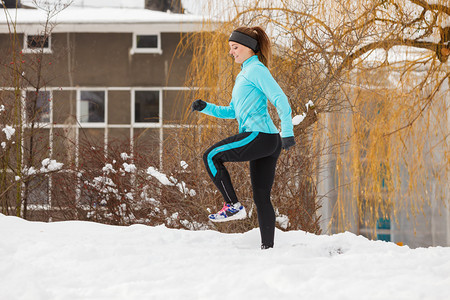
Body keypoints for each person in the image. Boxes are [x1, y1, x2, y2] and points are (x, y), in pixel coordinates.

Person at [191, 26, 295, 249]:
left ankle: (232, 205)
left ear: (249, 48)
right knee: (261, 196)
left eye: (235, 47)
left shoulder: (256, 70)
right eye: (230, 48)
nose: (231, 52)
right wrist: (205, 107)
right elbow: (233, 111)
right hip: (268, 140)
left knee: (211, 156)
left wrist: (287, 132)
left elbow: (281, 99)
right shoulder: (244, 74)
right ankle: (268, 248)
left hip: (260, 136)